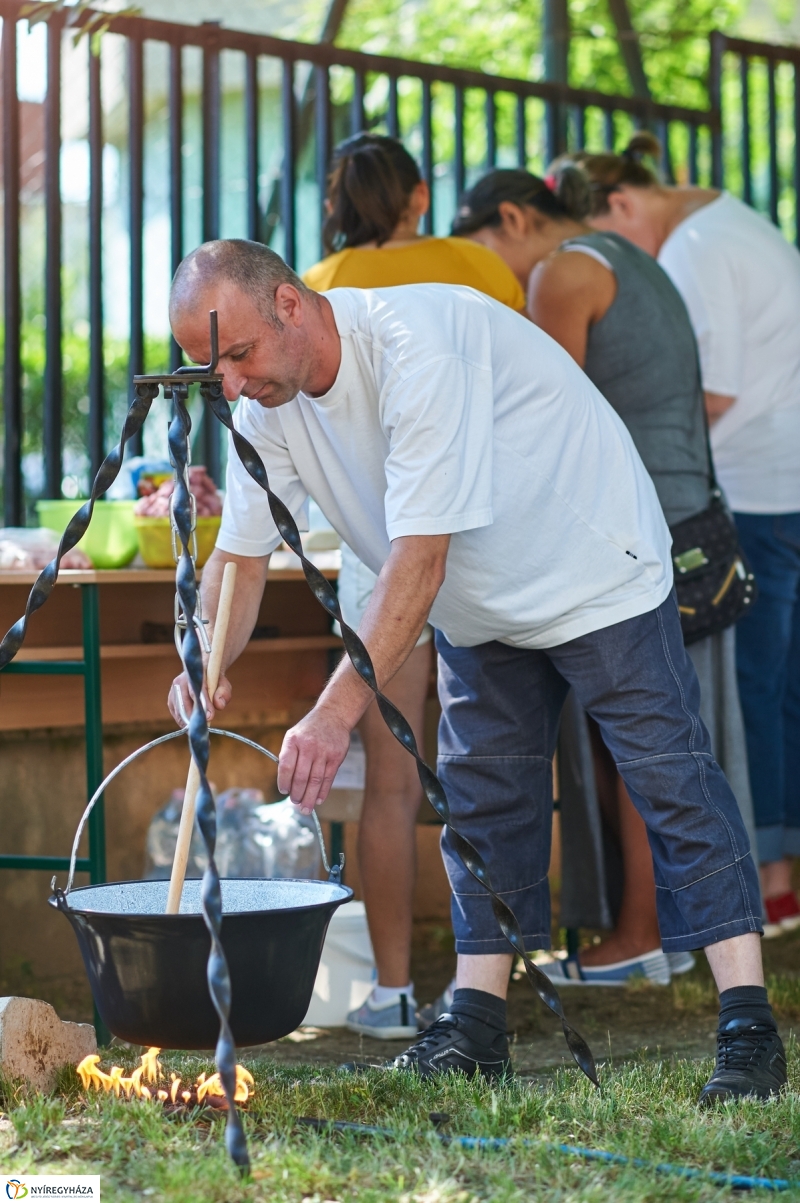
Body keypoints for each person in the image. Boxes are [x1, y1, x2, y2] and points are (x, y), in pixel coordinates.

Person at [168, 238, 783, 1102]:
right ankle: (477, 1026)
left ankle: (750, 1025)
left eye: (236, 354)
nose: (227, 383)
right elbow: (239, 559)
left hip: (592, 561)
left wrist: (334, 710)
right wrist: (201, 660)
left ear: (291, 307)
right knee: (484, 802)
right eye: (209, 367)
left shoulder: (418, 346)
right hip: (478, 602)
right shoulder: (266, 410)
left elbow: (416, 562)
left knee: (670, 779)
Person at [450, 166, 758, 985]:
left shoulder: (562, 272)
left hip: (630, 526)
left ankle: (639, 931)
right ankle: (689, 937)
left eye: (487, 248)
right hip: (691, 513)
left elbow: (541, 419)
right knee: (678, 744)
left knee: (640, 746)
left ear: (514, 217)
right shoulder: (630, 256)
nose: (498, 273)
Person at [302, 133, 525, 1040]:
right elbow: (532, 378)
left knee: (390, 783)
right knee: (505, 766)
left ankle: (392, 988)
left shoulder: (315, 284)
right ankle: (497, 981)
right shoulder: (476, 262)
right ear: (419, 197)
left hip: (379, 537)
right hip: (484, 527)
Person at [569, 133, 800, 939]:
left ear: (623, 205)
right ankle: (777, 880)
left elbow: (714, 393)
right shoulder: (735, 220)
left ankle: (765, 888)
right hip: (782, 483)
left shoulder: (698, 247)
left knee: (753, 695)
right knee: (778, 690)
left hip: (757, 490)